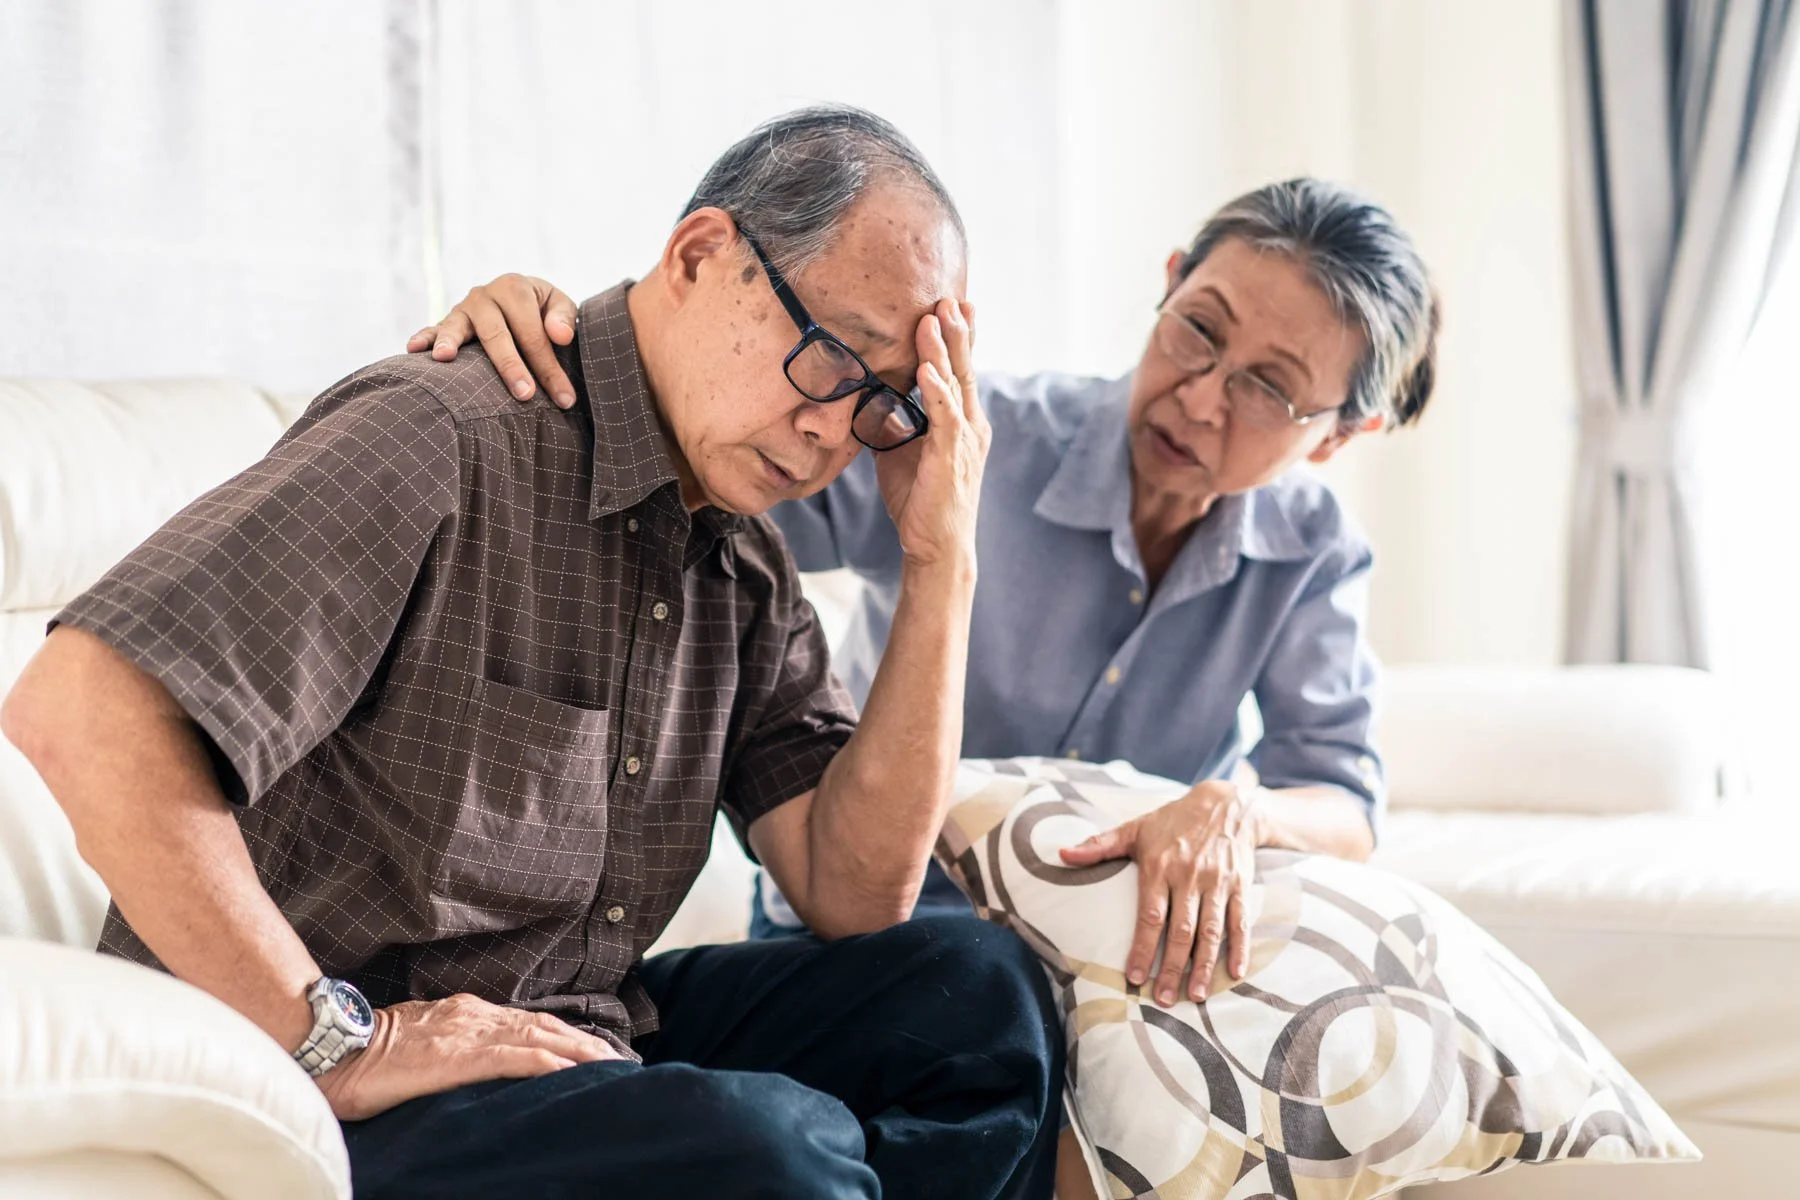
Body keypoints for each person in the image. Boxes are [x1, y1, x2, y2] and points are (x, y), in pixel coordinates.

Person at [0, 106, 1065, 1199]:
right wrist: (336, 1038)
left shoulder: (743, 564)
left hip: (575, 1046)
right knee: (772, 1152)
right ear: (703, 256)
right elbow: (79, 705)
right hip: (331, 1061)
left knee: (972, 995)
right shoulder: (447, 434)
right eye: (835, 358)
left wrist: (944, 556)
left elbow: (856, 892)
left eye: (886, 404)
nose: (836, 431)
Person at [418, 177, 1441, 1014]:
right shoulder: (962, 438)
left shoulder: (1313, 552)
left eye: (1269, 389)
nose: (1203, 396)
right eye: (1198, 332)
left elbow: (1344, 801)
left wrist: (1235, 807)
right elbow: (703, 469)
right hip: (887, 941)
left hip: (1108, 962)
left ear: (1338, 436)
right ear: (1169, 284)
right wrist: (555, 340)